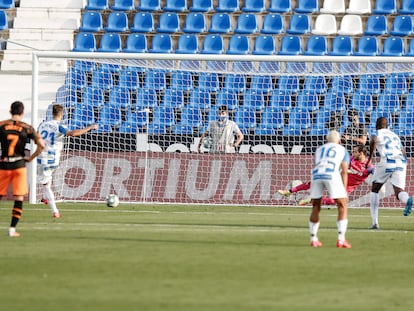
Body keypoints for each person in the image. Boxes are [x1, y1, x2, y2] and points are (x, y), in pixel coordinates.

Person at [37, 104, 98, 218]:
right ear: (62, 114)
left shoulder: (42, 125)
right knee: (47, 181)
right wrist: (90, 127)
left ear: (52, 113)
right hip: (53, 159)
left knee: (45, 184)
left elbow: (37, 138)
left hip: (43, 157)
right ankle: (49, 203)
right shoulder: (59, 126)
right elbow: (73, 134)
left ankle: (53, 209)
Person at [0, 101, 45, 237]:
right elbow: (41, 145)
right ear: (22, 112)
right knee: (19, 198)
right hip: (19, 165)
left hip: (4, 164)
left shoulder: (1, 125)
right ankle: (12, 229)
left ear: (10, 111)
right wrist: (31, 158)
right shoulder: (27, 128)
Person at [278, 145, 374, 206]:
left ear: (361, 153)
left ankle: (312, 200)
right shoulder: (352, 158)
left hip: (347, 186)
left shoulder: (368, 166)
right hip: (338, 178)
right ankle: (289, 191)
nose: (353, 153)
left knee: (334, 201)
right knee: (314, 182)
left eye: (355, 152)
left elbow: (373, 171)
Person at [308, 130, 351, 248]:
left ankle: (313, 238)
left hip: (316, 174)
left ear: (327, 140)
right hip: (331, 173)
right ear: (339, 140)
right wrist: (345, 189)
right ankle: (341, 239)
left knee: (316, 206)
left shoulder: (319, 149)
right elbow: (344, 170)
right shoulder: (342, 150)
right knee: (342, 205)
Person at [367, 117, 413, 227]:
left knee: (375, 189)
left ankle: (375, 223)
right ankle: (408, 200)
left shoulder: (376, 132)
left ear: (377, 124)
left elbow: (373, 140)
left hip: (387, 161)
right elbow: (403, 150)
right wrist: (404, 161)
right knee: (399, 192)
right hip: (401, 162)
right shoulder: (395, 136)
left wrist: (370, 159)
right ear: (387, 125)